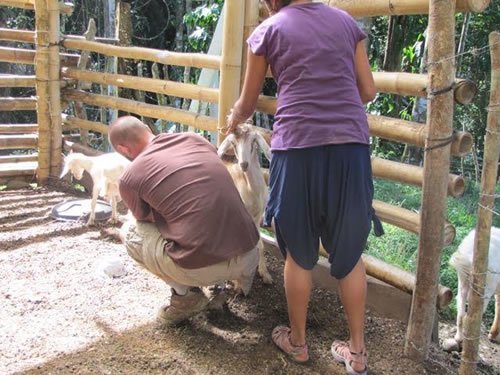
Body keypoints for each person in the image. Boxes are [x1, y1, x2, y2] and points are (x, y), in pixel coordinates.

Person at [224, 1, 382, 373]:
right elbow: (369, 90)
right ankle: (357, 354)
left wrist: (232, 120)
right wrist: (336, 108)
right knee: (349, 254)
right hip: (350, 148)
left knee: (298, 254)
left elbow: (247, 103)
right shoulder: (345, 23)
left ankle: (297, 343)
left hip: (297, 147)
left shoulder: (269, 29)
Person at [108, 116, 260, 326]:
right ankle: (222, 286)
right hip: (250, 252)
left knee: (131, 230)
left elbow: (145, 219)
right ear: (146, 128)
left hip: (204, 267)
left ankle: (185, 297)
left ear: (123, 148)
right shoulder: (195, 139)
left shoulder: (129, 177)